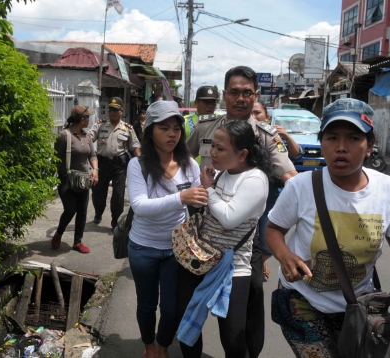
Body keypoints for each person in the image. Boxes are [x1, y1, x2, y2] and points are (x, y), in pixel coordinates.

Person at [266, 98, 390, 357]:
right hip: (302, 300)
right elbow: (273, 230)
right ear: (322, 142)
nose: (341, 147)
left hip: (359, 305)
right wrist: (285, 256)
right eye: (331, 138)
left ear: (369, 145)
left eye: (353, 138)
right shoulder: (300, 186)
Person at [187, 65, 298, 357]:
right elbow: (182, 163)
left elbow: (291, 180)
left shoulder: (265, 134)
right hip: (203, 231)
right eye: (234, 92)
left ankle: (248, 351)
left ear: (255, 96)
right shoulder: (206, 128)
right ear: (224, 94)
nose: (240, 98)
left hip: (246, 233)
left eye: (247, 93)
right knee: (193, 296)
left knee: (249, 296)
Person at [178, 120, 273, 358]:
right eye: (212, 145)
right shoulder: (221, 175)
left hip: (233, 270)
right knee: (189, 323)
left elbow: (229, 218)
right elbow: (210, 213)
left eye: (220, 148)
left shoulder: (255, 180)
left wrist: (208, 190)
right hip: (202, 262)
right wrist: (208, 187)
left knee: (231, 337)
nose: (212, 153)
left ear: (242, 154)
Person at [127, 100, 208, 358]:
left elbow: (198, 203)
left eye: (176, 128)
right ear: (150, 131)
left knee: (172, 308)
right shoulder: (137, 165)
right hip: (143, 247)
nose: (172, 134)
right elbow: (140, 206)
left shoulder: (190, 165)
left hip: (178, 249)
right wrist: (180, 199)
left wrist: (208, 189)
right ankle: (150, 346)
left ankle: (163, 345)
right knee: (147, 304)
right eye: (164, 128)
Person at [252, 100, 303, 281]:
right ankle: (255, 266)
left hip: (272, 197)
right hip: (248, 198)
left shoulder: (273, 136)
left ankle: (258, 263)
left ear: (267, 116)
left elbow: (296, 153)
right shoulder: (240, 134)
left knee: (267, 243)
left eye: (257, 113)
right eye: (251, 113)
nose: (254, 116)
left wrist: (286, 136)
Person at [51, 105, 99, 252]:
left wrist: (95, 169)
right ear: (82, 120)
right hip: (67, 180)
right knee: (70, 209)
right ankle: (59, 233)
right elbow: (56, 158)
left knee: (82, 211)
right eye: (88, 117)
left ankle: (78, 242)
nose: (90, 119)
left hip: (84, 179)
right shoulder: (64, 135)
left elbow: (92, 154)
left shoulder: (87, 136)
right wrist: (63, 174)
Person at [89, 97, 141, 230]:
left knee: (118, 195)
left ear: (121, 111)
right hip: (102, 163)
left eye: (115, 110)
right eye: (110, 109)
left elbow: (135, 147)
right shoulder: (100, 125)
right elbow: (88, 139)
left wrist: (142, 164)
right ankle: (98, 212)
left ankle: (115, 222)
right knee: (98, 192)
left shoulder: (127, 128)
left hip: (119, 165)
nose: (111, 112)